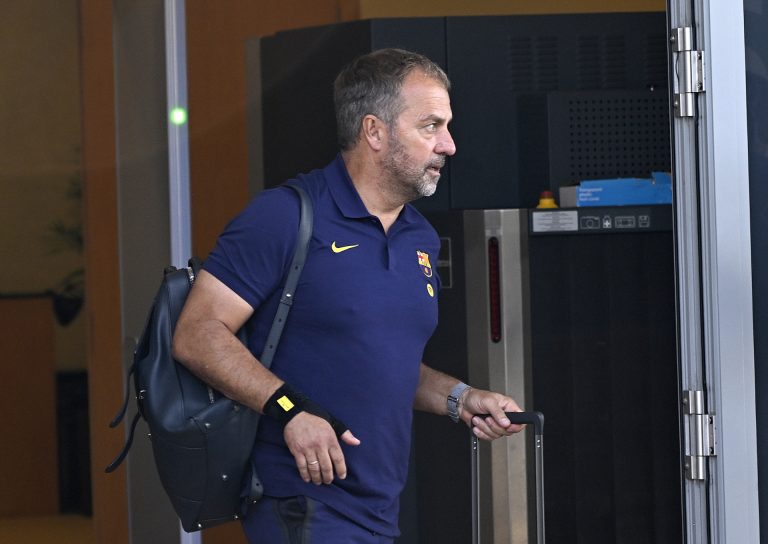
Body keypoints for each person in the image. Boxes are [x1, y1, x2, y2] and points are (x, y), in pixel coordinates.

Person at [172, 48, 524, 543]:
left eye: (446, 127)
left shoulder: (420, 238)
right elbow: (196, 334)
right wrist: (291, 409)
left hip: (379, 508)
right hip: (302, 502)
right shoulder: (285, 216)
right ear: (374, 131)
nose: (449, 145)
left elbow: (382, 362)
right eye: (430, 126)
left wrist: (460, 398)